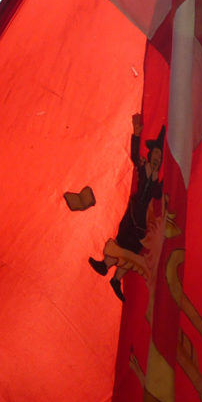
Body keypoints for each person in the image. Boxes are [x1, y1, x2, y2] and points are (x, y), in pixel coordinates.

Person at [88, 114, 165, 301]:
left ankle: (117, 279)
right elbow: (133, 155)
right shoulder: (144, 166)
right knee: (122, 242)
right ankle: (105, 264)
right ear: (150, 154)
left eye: (160, 156)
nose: (157, 158)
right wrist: (136, 135)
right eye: (155, 153)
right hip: (133, 213)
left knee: (132, 252)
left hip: (142, 222)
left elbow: (157, 195)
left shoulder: (156, 179)